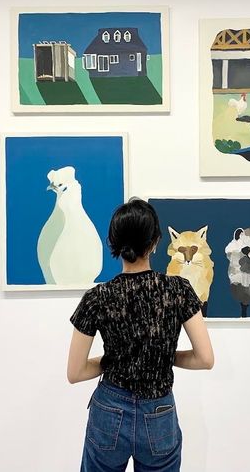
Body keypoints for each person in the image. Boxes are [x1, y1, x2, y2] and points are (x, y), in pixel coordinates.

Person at [67, 198, 214, 472]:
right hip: (159, 414)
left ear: (113, 243)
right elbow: (205, 359)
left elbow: (75, 373)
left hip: (109, 410)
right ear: (155, 242)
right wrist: (163, 356)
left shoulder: (96, 298)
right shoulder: (179, 290)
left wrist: (113, 359)